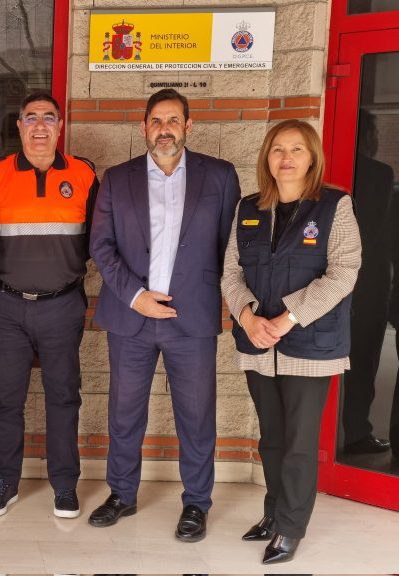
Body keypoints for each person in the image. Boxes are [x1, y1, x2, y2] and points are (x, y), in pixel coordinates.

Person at [88, 88, 240, 541]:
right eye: (156, 121)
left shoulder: (220, 176)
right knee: (124, 414)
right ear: (144, 128)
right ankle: (121, 494)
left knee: (196, 417)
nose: (165, 129)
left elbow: (231, 248)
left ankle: (196, 503)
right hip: (131, 317)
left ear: (188, 126)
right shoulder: (117, 179)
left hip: (191, 319)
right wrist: (136, 296)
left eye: (173, 120)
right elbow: (101, 246)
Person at [221, 119, 360, 564]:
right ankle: (274, 512)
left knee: (299, 443)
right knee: (272, 439)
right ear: (267, 157)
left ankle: (290, 527)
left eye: (296, 149)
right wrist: (247, 317)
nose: (286, 157)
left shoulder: (335, 206)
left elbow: (343, 272)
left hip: (310, 344)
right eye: (278, 148)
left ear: (312, 157)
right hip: (258, 341)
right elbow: (230, 273)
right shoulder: (248, 208)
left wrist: (286, 318)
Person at [0, 92, 97, 519]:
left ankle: (64, 485)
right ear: (19, 126)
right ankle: (5, 482)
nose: (40, 126)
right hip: (5, 306)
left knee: (63, 397)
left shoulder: (83, 174)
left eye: (48, 117)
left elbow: (100, 238)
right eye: (31, 118)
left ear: (60, 126)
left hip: (62, 305)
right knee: (7, 400)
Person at [341, 111, 394, 456]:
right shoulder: (379, 173)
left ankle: (328, 431)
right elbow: (374, 231)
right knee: (363, 360)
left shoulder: (331, 170)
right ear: (367, 136)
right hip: (368, 284)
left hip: (328, 279)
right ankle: (356, 432)